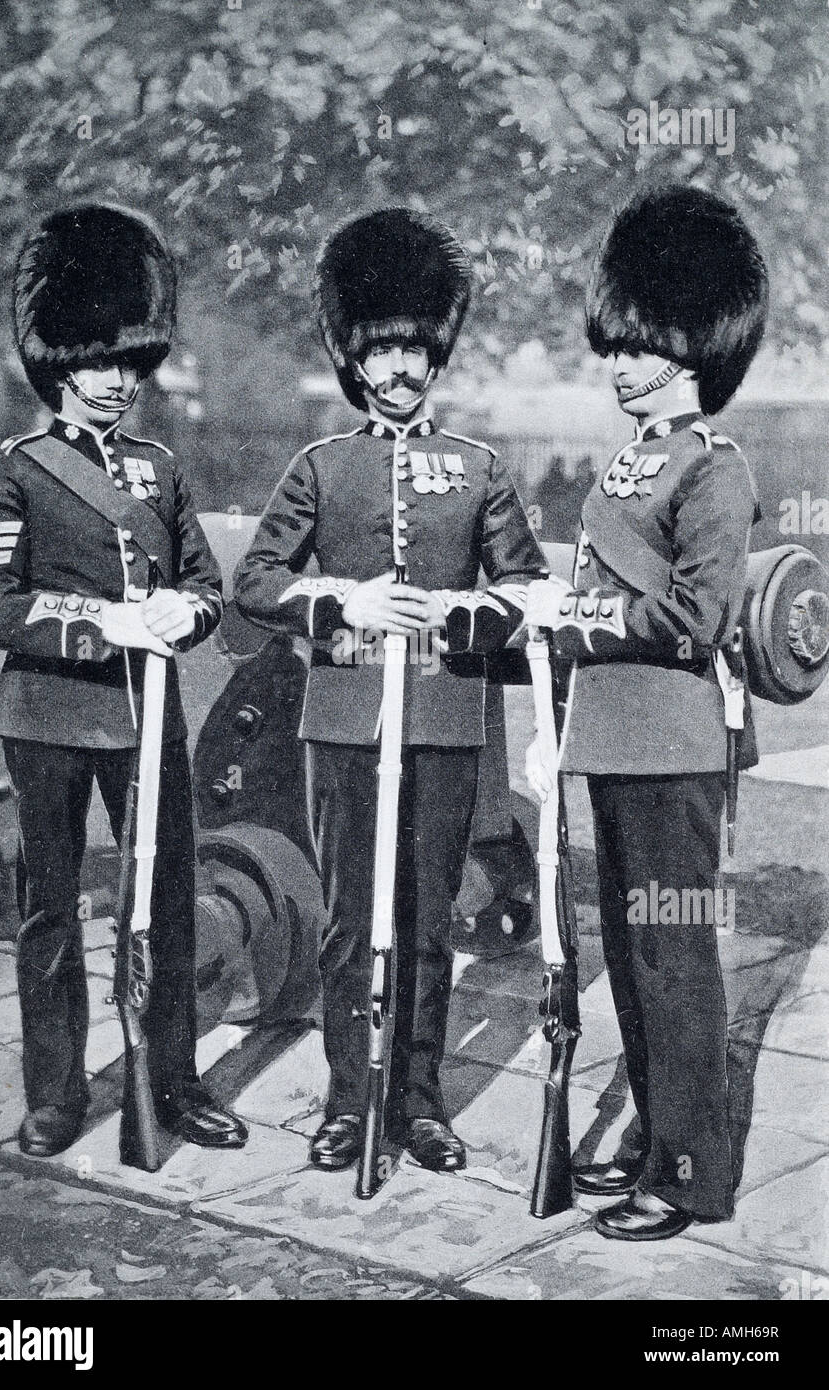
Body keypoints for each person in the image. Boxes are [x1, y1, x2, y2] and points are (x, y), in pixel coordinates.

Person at [235, 207, 545, 1174]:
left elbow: (528, 588)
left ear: (436, 355)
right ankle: (346, 1098)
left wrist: (461, 617)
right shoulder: (320, 466)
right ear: (355, 360)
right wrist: (345, 600)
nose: (402, 369)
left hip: (446, 720)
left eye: (416, 350)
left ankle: (415, 1102)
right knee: (345, 921)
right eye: (383, 352)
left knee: (423, 919)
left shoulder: (481, 468)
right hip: (343, 721)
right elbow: (255, 585)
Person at [0, 203, 248, 1158]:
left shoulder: (159, 471)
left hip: (147, 715)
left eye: (129, 363)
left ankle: (172, 1080)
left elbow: (204, 584)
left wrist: (183, 615)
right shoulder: (15, 471)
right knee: (48, 910)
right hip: (44, 715)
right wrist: (100, 623)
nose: (116, 382)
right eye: (95, 364)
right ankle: (54, 1092)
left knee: (163, 900)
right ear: (56, 366)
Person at [515, 184, 768, 1238]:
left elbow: (697, 615)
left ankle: (691, 1166)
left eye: (639, 346)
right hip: (611, 737)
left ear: (691, 346)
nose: (615, 362)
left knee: (674, 958)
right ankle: (654, 1133)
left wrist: (573, 613)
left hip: (672, 740)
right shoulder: (624, 462)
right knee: (625, 951)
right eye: (611, 343)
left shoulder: (714, 466)